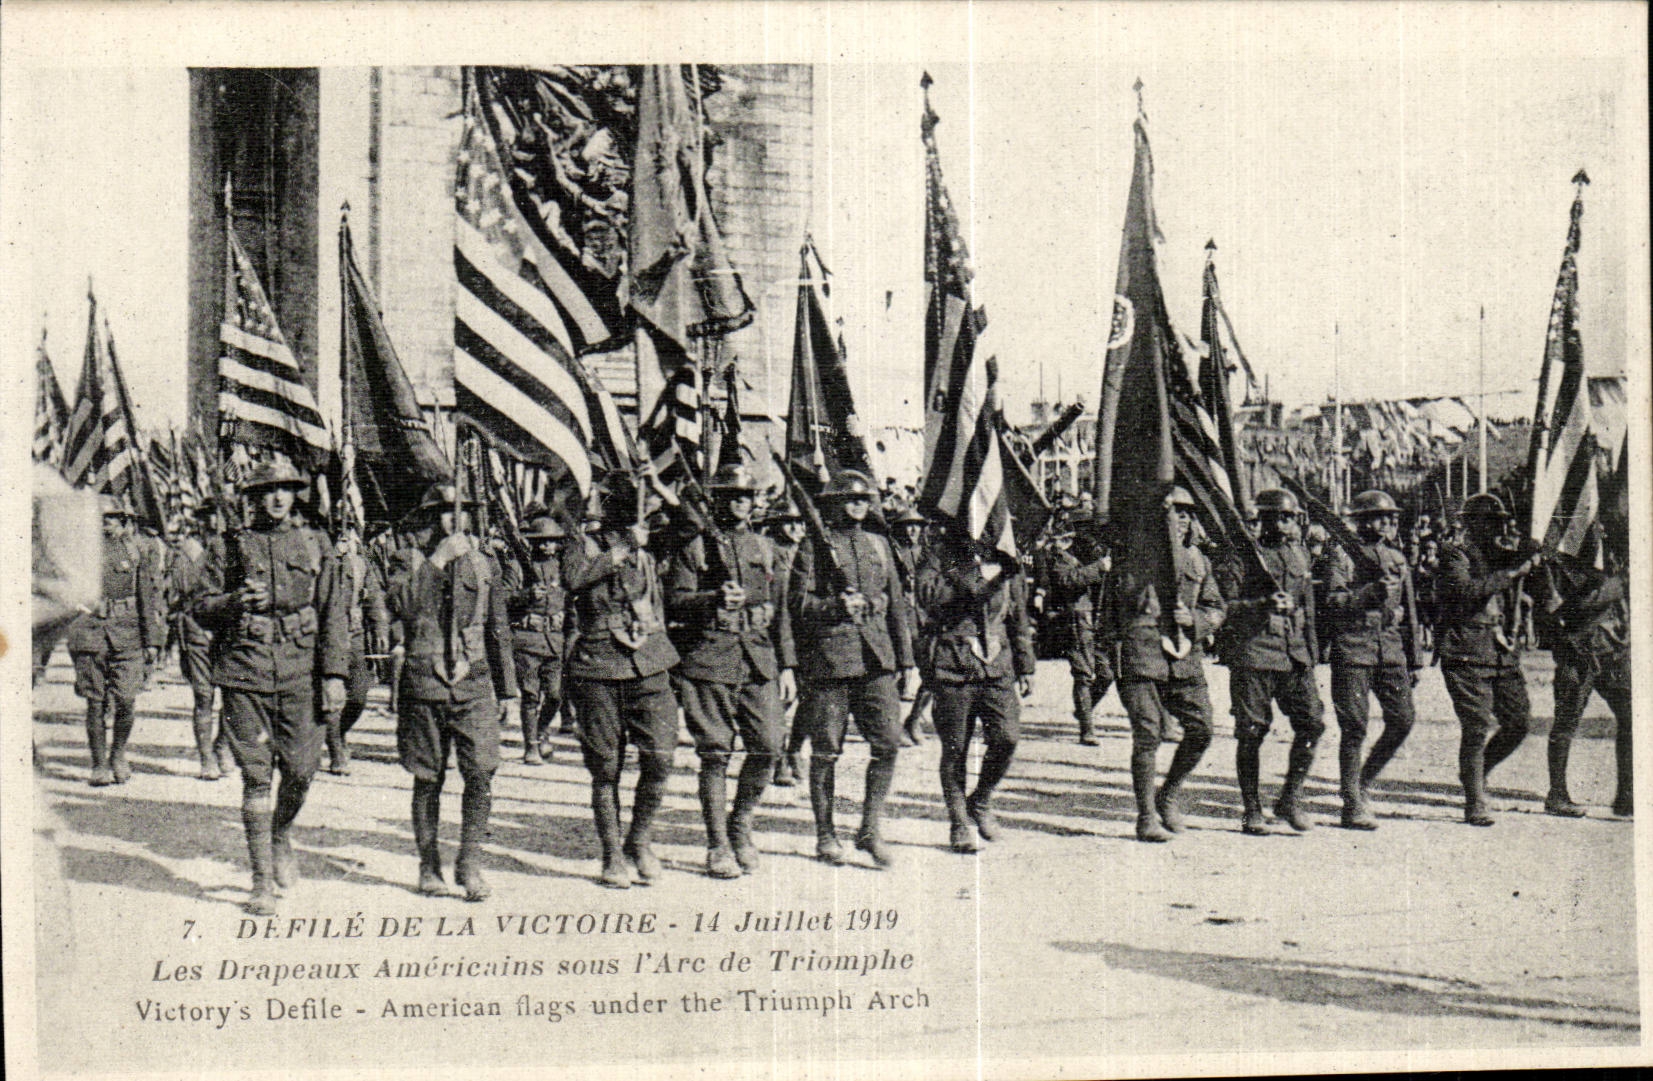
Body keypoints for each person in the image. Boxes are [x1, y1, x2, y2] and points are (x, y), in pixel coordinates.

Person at [193, 460, 347, 915]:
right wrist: (233, 601)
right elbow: (199, 606)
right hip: (246, 670)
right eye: (268, 490)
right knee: (256, 776)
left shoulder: (316, 543)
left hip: (301, 670)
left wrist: (334, 674)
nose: (278, 497)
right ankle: (261, 882)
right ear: (253, 497)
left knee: (301, 771)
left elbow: (333, 610)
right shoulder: (228, 545)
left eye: (285, 489)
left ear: (295, 494)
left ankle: (280, 832)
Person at [384, 483, 517, 900]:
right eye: (443, 511)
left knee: (482, 771)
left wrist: (507, 689)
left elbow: (497, 625)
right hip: (425, 681)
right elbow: (401, 606)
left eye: (460, 510)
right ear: (429, 517)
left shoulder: (484, 562)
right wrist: (438, 561)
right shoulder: (408, 558)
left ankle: (470, 862)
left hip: (473, 680)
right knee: (428, 777)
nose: (452, 518)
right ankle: (429, 866)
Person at [665, 464, 796, 878]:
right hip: (710, 658)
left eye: (746, 496)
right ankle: (718, 843)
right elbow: (674, 601)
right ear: (716, 501)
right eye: (731, 496)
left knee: (769, 746)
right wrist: (712, 599)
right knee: (715, 752)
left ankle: (741, 823)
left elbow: (782, 612)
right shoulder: (694, 547)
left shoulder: (766, 548)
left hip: (758, 658)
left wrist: (788, 666)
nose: (740, 503)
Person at [789, 469, 917, 868]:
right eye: (850, 499)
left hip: (876, 659)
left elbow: (896, 604)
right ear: (833, 503)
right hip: (830, 661)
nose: (859, 505)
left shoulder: (879, 544)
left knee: (889, 743)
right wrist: (834, 606)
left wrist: (906, 660)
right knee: (826, 751)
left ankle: (869, 829)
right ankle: (825, 834)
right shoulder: (813, 545)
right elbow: (797, 605)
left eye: (864, 499)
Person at [564, 474, 681, 889]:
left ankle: (639, 839)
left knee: (661, 757)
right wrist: (620, 549)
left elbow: (691, 523)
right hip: (598, 666)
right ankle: (612, 853)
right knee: (606, 766)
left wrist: (657, 482)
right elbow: (574, 579)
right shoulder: (584, 544)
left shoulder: (648, 545)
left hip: (649, 661)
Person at [1108, 486, 1226, 842]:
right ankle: (1146, 816)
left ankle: (1169, 793)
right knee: (1148, 734)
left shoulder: (1198, 561)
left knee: (1201, 729)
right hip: (1143, 656)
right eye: (1172, 514)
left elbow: (1215, 607)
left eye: (1186, 514)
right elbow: (1111, 615)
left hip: (1184, 657)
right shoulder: (1132, 559)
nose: (1179, 521)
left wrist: (1195, 620)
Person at [916, 524, 1034, 853]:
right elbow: (928, 597)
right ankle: (959, 822)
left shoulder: (1005, 557)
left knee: (1007, 737)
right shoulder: (939, 554)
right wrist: (974, 574)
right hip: (953, 660)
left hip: (996, 663)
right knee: (956, 748)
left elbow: (1018, 615)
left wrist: (1026, 664)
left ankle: (980, 800)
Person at [1216, 488, 1324, 835]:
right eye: (1278, 517)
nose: (1284, 524)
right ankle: (1252, 809)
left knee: (1312, 724)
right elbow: (1224, 607)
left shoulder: (1299, 554)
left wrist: (1311, 652)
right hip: (1255, 653)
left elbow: (1307, 606)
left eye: (1290, 517)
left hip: (1294, 654)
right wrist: (1262, 605)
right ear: (1262, 519)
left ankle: (1290, 798)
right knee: (1251, 732)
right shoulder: (1242, 556)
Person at [1436, 492, 1544, 826]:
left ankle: (1479, 771)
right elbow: (1465, 591)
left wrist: (1534, 554)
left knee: (1518, 722)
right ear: (1470, 524)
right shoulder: (1455, 554)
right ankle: (1475, 799)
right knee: (1476, 726)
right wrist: (1511, 573)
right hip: (1465, 650)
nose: (1496, 529)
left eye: (1499, 522)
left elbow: (1536, 579)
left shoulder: (1504, 555)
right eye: (1488, 522)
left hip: (1500, 652)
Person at [1316, 489, 1422, 829]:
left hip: (1389, 649)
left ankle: (1362, 781)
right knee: (1354, 727)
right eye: (1380, 517)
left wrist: (1415, 659)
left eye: (1391, 517)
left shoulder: (1396, 558)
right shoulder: (1342, 555)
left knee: (1403, 719)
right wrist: (1368, 594)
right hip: (1353, 648)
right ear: (1361, 521)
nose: (1388, 522)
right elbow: (1333, 602)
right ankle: (1352, 803)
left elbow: (1409, 610)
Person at [67, 495, 166, 786]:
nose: (105, 524)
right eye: (100, 519)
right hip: (90, 633)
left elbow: (147, 597)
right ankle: (99, 764)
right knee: (95, 702)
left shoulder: (135, 551)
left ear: (123, 521)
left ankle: (118, 754)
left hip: (127, 633)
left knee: (126, 699)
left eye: (111, 518)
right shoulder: (77, 553)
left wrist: (152, 640)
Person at [1538, 551, 1630, 817]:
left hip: (1611, 650)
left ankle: (1627, 795)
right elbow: (1560, 608)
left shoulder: (1610, 554)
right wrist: (1617, 585)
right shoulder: (1555, 564)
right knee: (1566, 722)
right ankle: (1557, 794)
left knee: (1631, 715)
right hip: (1577, 652)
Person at [170, 500, 236, 780]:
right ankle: (206, 756)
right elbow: (184, 587)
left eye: (217, 515)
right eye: (207, 517)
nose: (213, 522)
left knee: (234, 694)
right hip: (198, 625)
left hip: (227, 626)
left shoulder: (234, 547)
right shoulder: (190, 550)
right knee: (204, 694)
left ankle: (222, 745)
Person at [1040, 510, 1113, 746]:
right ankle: (1087, 729)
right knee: (1084, 675)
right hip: (1073, 623)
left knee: (1106, 673)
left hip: (1096, 624)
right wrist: (1099, 568)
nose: (1092, 535)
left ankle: (1084, 710)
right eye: (1086, 529)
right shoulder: (1061, 556)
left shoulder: (1097, 556)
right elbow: (1066, 580)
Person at [504, 514, 569, 765]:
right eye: (541, 541)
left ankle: (541, 731)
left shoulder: (563, 568)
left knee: (555, 695)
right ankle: (531, 745)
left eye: (551, 541)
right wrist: (526, 595)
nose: (547, 545)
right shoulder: (517, 567)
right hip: (528, 640)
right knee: (531, 695)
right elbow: (503, 599)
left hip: (555, 640)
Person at [327, 527, 389, 775]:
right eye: (342, 536)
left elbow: (374, 598)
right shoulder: (323, 557)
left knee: (358, 695)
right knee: (331, 696)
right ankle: (336, 750)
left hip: (354, 635)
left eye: (350, 536)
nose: (348, 541)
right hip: (326, 635)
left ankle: (338, 732)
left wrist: (381, 629)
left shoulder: (360, 563)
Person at [765, 500, 809, 787]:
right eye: (789, 521)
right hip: (777, 633)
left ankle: (794, 749)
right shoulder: (770, 551)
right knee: (782, 698)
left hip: (806, 634)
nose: (796, 527)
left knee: (810, 698)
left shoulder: (808, 552)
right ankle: (779, 757)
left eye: (800, 522)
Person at [890, 505, 931, 746]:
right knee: (897, 674)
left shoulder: (927, 553)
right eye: (908, 525)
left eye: (917, 525)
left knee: (933, 673)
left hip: (923, 619)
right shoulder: (891, 552)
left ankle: (913, 720)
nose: (913, 530)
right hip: (900, 618)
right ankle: (891, 726)